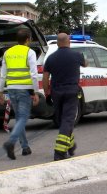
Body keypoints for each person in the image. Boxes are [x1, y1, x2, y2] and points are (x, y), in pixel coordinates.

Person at [42, 33, 87, 161]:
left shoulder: (50, 58)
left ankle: (70, 146)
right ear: (69, 42)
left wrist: (47, 93)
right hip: (71, 92)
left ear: (57, 43)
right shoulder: (76, 55)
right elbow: (86, 64)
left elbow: (45, 78)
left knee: (63, 120)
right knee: (68, 121)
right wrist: (84, 57)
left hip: (56, 93)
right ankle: (60, 152)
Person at [0, 29, 40, 160]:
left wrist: (0, 91)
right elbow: (34, 74)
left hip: (11, 89)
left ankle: (25, 147)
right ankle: (11, 142)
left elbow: (3, 74)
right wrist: (36, 92)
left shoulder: (7, 52)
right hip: (24, 90)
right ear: (28, 39)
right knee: (23, 117)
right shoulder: (30, 52)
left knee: (19, 118)